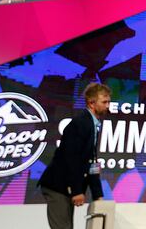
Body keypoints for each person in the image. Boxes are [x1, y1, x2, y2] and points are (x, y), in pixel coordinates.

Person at [39, 83, 111, 229]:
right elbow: (71, 158)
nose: (108, 106)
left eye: (109, 102)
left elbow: (92, 162)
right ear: (91, 103)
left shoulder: (93, 124)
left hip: (66, 187)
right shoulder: (80, 123)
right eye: (104, 102)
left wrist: (98, 195)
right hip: (58, 186)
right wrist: (77, 190)